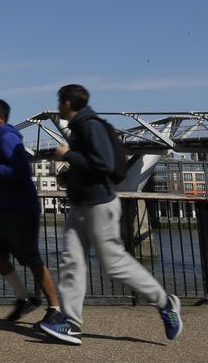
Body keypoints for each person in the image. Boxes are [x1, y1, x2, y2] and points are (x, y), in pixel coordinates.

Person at [40, 84, 182, 345]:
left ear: (67, 104)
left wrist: (68, 154)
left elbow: (103, 164)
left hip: (99, 205)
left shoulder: (91, 125)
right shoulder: (81, 129)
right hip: (80, 204)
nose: (59, 106)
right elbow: (89, 166)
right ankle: (71, 324)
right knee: (71, 263)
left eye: (60, 102)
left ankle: (165, 302)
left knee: (113, 263)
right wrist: (68, 175)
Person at [0, 99, 60, 324]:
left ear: (0, 117)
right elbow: (2, 172)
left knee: (30, 257)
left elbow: (21, 171)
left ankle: (55, 307)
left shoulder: (8, 138)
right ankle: (24, 297)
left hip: (20, 209)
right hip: (1, 209)